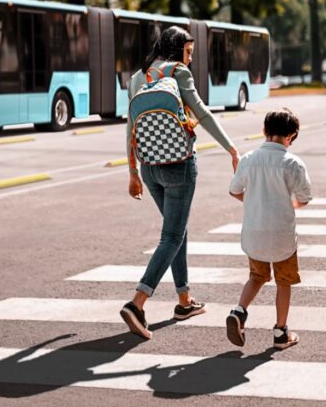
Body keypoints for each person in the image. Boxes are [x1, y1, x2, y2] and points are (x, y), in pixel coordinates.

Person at [120, 26, 241, 339]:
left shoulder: (138, 77)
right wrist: (231, 148)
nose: (190, 58)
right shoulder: (178, 73)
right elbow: (201, 112)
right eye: (188, 52)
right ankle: (137, 303)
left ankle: (185, 301)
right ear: (176, 50)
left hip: (149, 168)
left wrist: (132, 172)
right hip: (179, 166)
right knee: (172, 235)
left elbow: (131, 126)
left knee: (177, 230)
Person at [226, 108, 312, 350]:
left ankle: (239, 311)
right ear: (292, 136)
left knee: (256, 277)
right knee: (283, 281)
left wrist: (253, 201)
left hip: (255, 232)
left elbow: (235, 190)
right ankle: (280, 332)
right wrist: (292, 204)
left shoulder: (248, 159)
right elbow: (304, 197)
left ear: (264, 131)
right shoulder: (293, 163)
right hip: (281, 235)